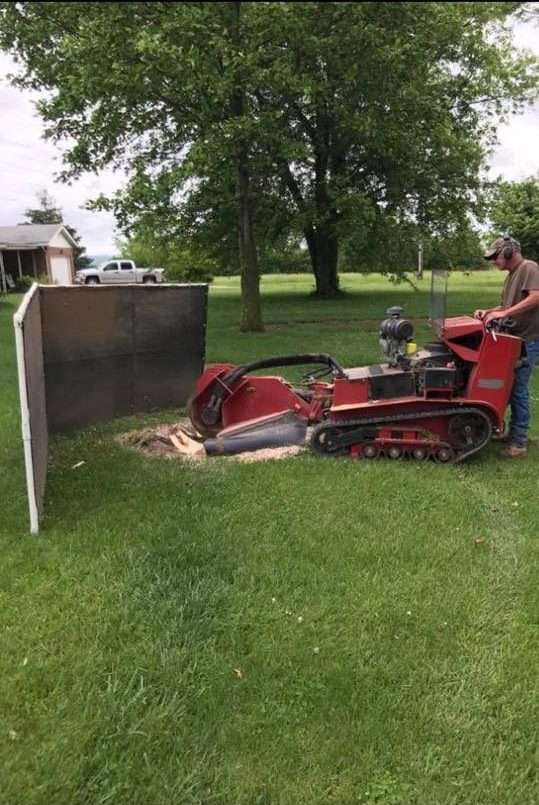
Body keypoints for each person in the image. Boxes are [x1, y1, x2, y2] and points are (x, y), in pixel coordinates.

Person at [474, 235, 539, 457]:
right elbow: (507, 305)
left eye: (495, 256)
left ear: (509, 252)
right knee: (507, 387)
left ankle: (519, 442)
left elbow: (536, 297)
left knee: (518, 389)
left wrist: (504, 313)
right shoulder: (511, 275)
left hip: (527, 340)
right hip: (513, 339)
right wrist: (490, 312)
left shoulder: (529, 267)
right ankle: (507, 430)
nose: (493, 261)